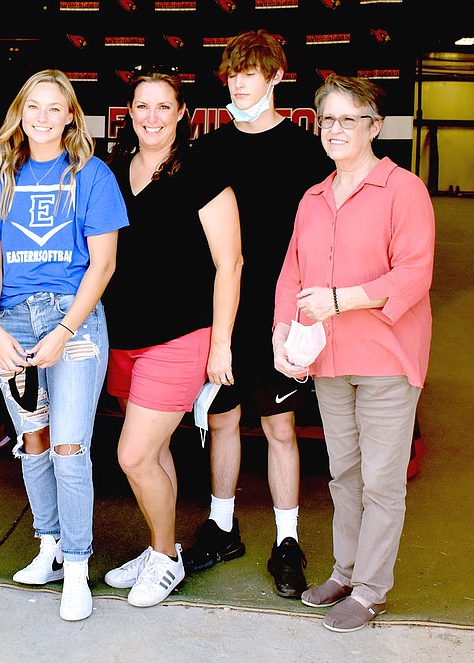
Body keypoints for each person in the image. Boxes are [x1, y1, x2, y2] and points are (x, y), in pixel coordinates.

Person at [273, 74, 435, 632]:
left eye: (349, 119)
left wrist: (340, 300)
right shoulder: (314, 197)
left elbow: (414, 273)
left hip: (387, 358)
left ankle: (371, 590)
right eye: (327, 120)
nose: (335, 130)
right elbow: (292, 271)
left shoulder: (403, 189)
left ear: (375, 127)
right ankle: (345, 572)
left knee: (382, 480)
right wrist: (280, 332)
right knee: (344, 475)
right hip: (330, 360)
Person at [182, 29, 334, 598]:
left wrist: (309, 315)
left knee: (278, 427)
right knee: (220, 419)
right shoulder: (209, 148)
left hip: (281, 314)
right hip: (222, 313)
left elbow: (326, 237)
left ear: (276, 77)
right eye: (234, 73)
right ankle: (222, 527)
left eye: (253, 72)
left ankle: (287, 540)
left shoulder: (306, 150)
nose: (241, 82)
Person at [0, 69, 128, 621]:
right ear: (21, 112)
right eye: (33, 107)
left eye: (54, 108)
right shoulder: (3, 175)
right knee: (34, 444)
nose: (42, 118)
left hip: (74, 323)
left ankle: (78, 569)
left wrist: (65, 331)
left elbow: (104, 262)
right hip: (12, 322)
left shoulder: (92, 175)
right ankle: (49, 547)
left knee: (70, 448)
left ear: (71, 117)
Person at [100, 65, 242, 608]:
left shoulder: (201, 169)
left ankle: (165, 558)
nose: (152, 117)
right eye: (142, 106)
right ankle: (160, 547)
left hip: (180, 336)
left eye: (164, 106)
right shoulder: (113, 169)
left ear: (181, 113)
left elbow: (230, 263)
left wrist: (221, 344)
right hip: (122, 336)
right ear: (128, 113)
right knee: (154, 452)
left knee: (133, 455)